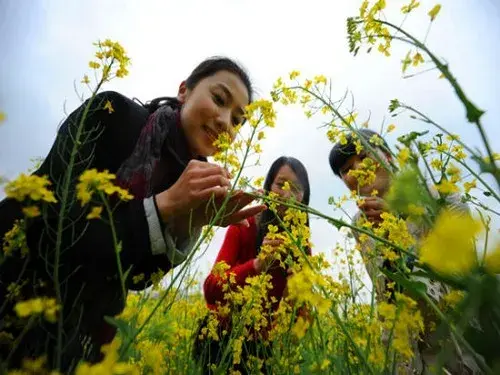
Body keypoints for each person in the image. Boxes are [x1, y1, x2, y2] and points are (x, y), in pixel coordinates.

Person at [0, 57, 266, 372]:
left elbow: (134, 278)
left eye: (237, 121)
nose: (225, 122)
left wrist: (187, 222)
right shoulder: (112, 113)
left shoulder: (195, 182)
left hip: (76, 336)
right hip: (13, 285)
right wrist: (163, 206)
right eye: (219, 100)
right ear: (184, 91)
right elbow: (51, 223)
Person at [328, 128, 478, 374]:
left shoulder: (439, 195)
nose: (357, 170)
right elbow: (385, 292)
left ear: (387, 156)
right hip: (412, 350)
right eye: (345, 170)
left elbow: (463, 263)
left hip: (462, 339)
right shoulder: (360, 224)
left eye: (364, 157)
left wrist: (398, 220)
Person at [194, 156, 312, 374]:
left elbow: (300, 322)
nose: (287, 194)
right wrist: (258, 264)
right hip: (220, 339)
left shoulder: (301, 246)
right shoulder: (245, 225)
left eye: (296, 189)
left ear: (304, 199)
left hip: (262, 350)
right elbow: (211, 289)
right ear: (268, 188)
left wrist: (296, 293)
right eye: (280, 184)